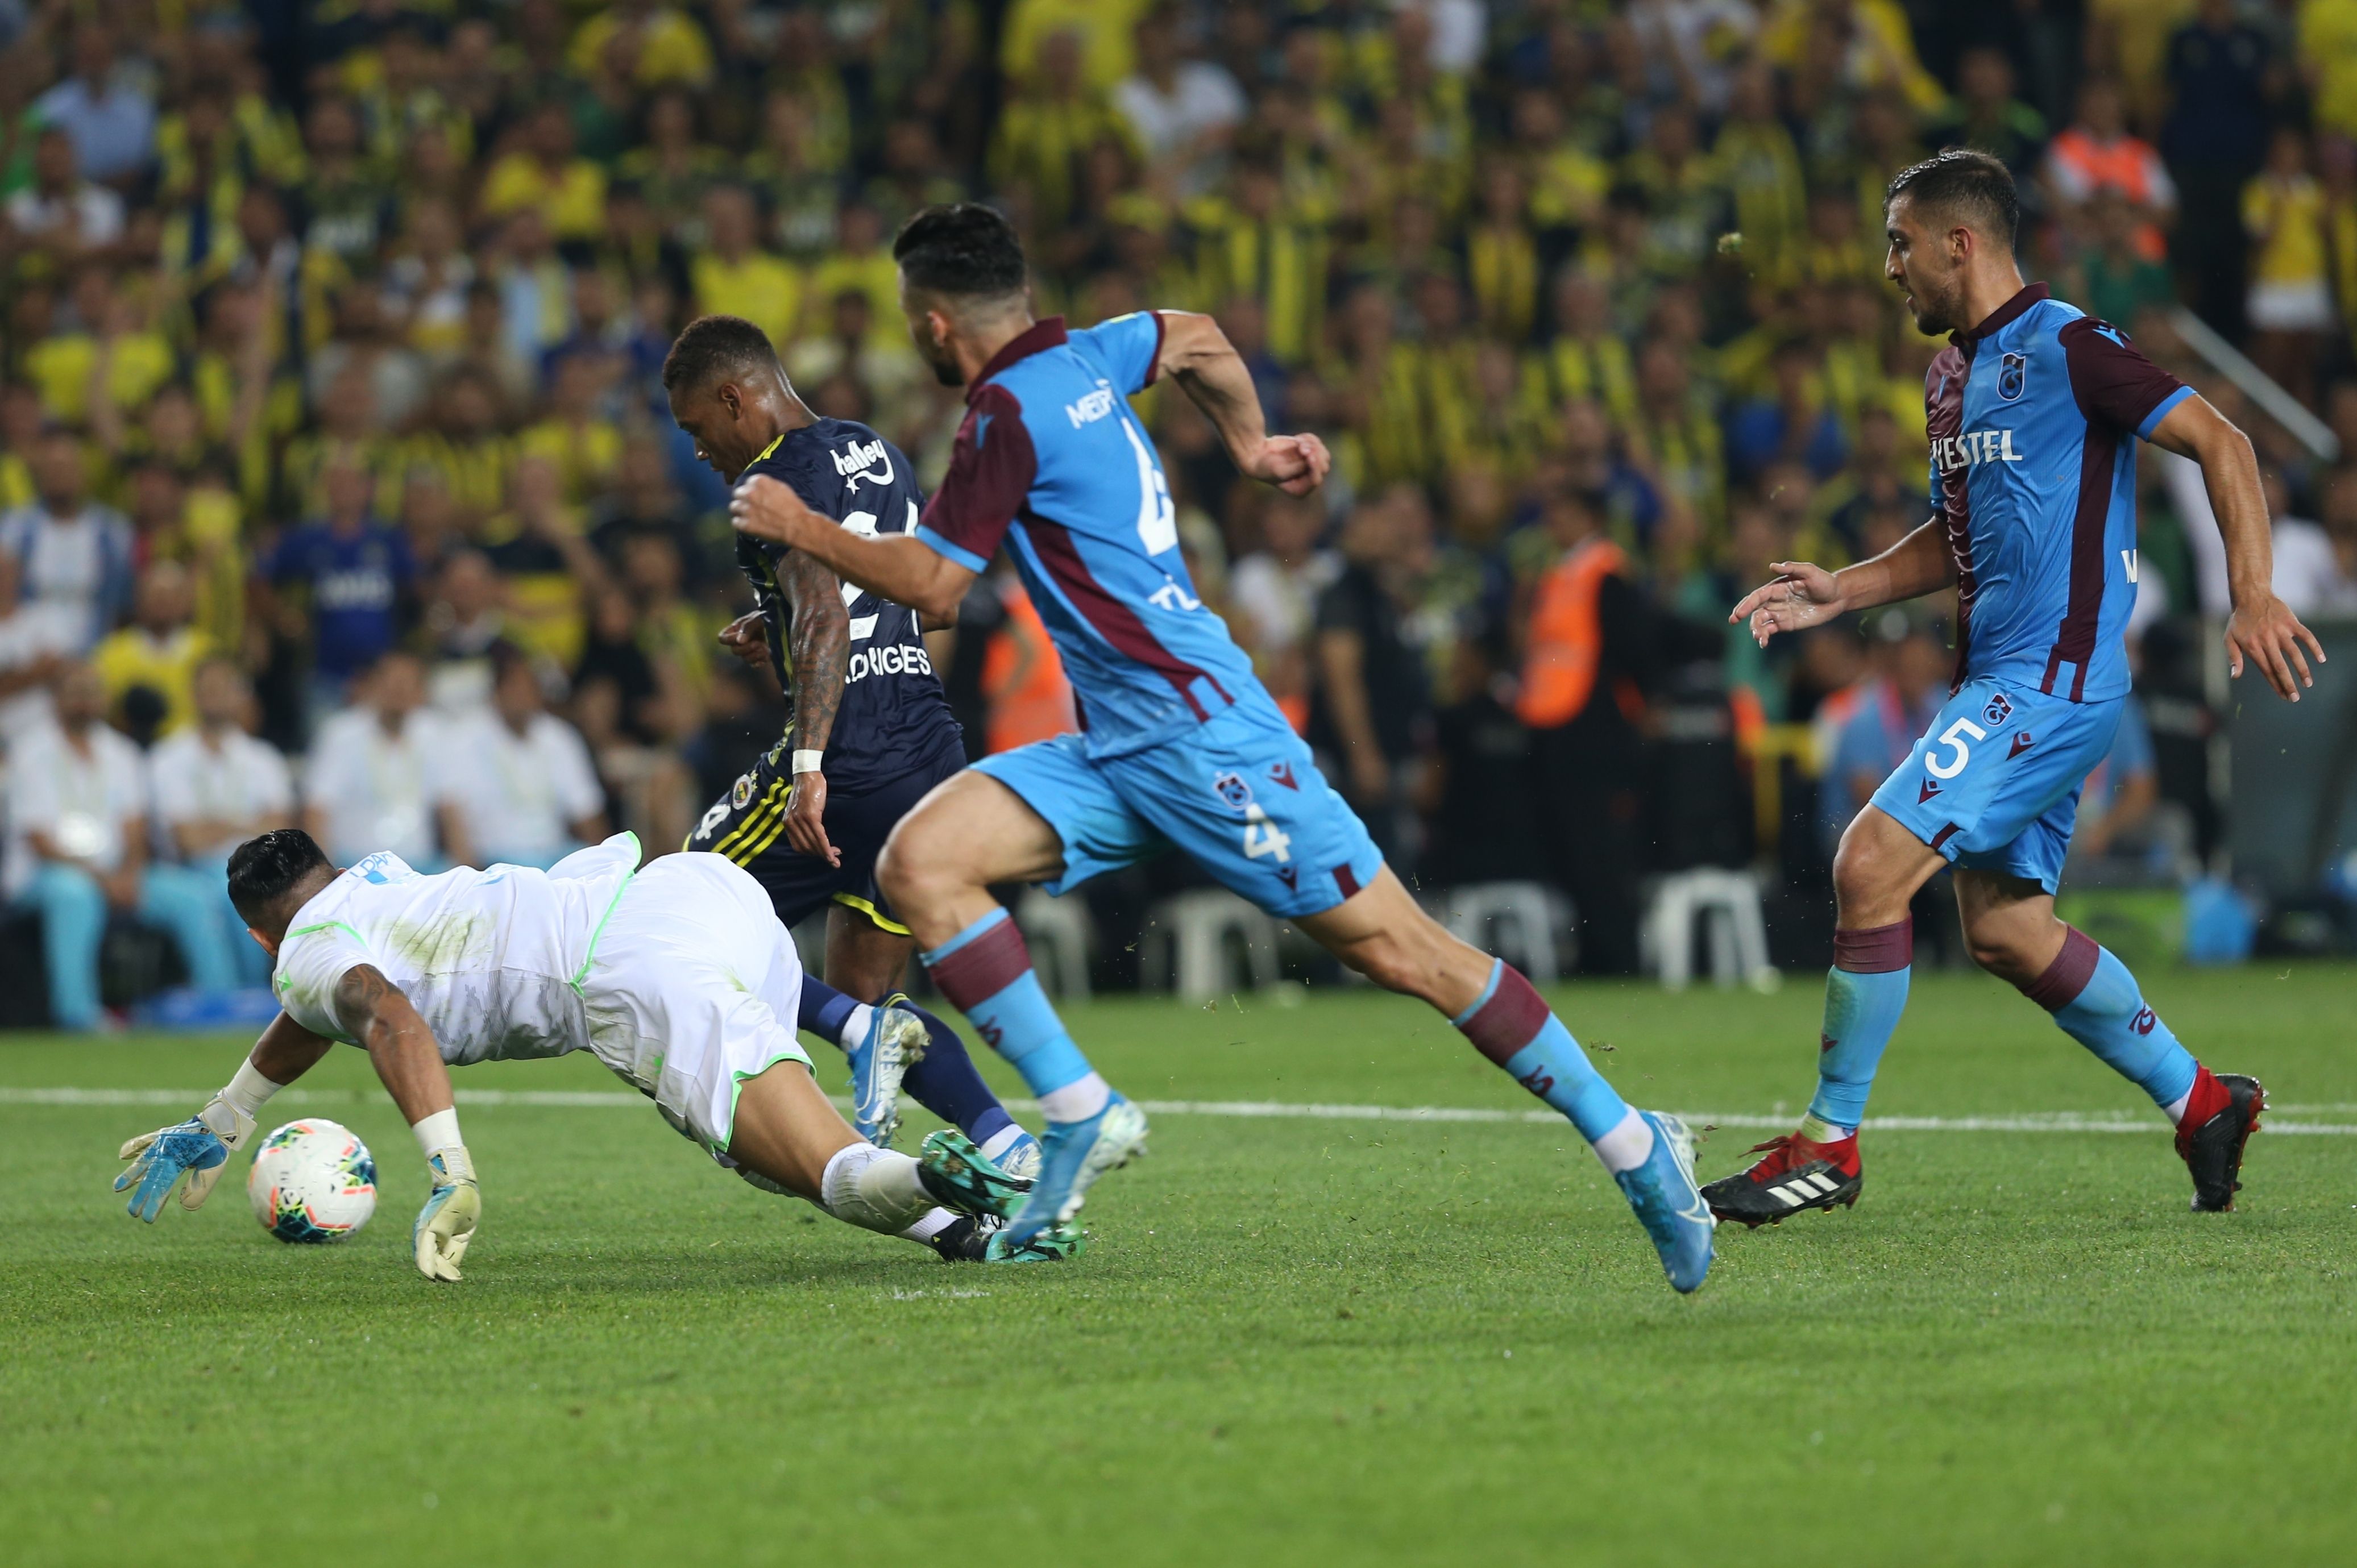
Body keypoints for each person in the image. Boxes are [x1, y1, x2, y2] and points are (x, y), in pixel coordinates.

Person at [729, 202, 1716, 1293]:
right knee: (921, 860)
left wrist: (797, 522)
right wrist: (1251, 441)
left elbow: (935, 586)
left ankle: (1635, 1145)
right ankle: (1078, 1106)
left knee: (1405, 952)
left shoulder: (1003, 412)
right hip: (1119, 745)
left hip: (1206, 740)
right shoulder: (1089, 355)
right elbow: (1196, 332)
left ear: (931, 326)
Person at [1705, 150, 2322, 1226]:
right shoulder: (1949, 377)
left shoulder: (2072, 345)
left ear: (1962, 242)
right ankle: (2204, 1100)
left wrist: (2253, 592)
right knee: (2003, 930)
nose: (1887, 265)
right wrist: (1844, 587)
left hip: (2053, 680)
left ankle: (1829, 1142)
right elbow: (1960, 536)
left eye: (1901, 242)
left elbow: (2220, 440)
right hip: (2000, 678)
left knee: (1867, 863)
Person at [110, 828, 1060, 1279]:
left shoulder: (310, 958)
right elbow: (326, 1011)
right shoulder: (377, 880)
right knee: (770, 1150)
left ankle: (935, 1178)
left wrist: (451, 1168)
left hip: (633, 975)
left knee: (826, 1172)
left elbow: (383, 1014)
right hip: (701, 890)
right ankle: (944, 1191)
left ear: (260, 938)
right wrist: (227, 1113)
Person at [662, 313, 1041, 1172]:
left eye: (696, 428)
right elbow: (902, 598)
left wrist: (806, 767)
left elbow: (830, 611)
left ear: (733, 398)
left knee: (674, 910)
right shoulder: (872, 450)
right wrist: (779, 623)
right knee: (872, 991)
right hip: (926, 750)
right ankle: (1008, 1145)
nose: (696, 450)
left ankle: (831, 1047)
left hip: (848, 753)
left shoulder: (768, 484)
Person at [4, 662, 238, 1029]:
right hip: (47, 873)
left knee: (193, 895)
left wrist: (129, 872)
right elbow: (39, 839)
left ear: (104, 699)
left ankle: (222, 1005)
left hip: (117, 872)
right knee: (74, 895)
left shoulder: (121, 752)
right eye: (75, 692)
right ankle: (78, 1014)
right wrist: (102, 877)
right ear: (56, 699)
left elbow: (135, 828)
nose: (84, 701)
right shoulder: (31, 752)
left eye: (91, 692)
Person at [148, 656, 297, 988]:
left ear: (239, 695)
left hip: (256, 870)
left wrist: (215, 824)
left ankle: (246, 996)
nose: (214, 697)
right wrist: (248, 823)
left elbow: (281, 834)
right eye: (206, 690)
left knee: (242, 884)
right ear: (193, 696)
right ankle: (230, 995)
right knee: (220, 890)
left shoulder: (263, 759)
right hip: (184, 869)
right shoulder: (168, 758)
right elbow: (187, 840)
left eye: (223, 689)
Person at [439, 648, 608, 868]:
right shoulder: (464, 739)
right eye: (514, 687)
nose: (522, 696)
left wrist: (608, 868)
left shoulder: (559, 737)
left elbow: (587, 812)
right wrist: (470, 881)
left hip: (553, 859)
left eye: (529, 688)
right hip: (494, 865)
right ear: (496, 693)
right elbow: (453, 816)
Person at [303, 650, 470, 870]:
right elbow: (318, 809)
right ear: (374, 685)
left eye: (407, 683)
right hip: (355, 867)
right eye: (392, 682)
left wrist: (469, 871)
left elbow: (449, 808)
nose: (399, 691)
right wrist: (325, 875)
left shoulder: (434, 734)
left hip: (419, 868)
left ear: (421, 691)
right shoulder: (342, 734)